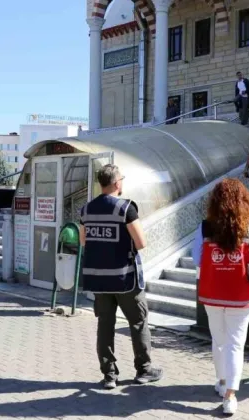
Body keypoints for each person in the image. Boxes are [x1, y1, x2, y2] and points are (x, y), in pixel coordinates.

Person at [79, 164, 163, 390]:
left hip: (99, 280)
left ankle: (109, 376)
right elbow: (141, 242)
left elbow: (84, 241)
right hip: (125, 279)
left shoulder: (86, 210)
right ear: (117, 183)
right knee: (138, 322)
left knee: (105, 325)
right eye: (122, 179)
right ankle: (144, 370)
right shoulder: (126, 208)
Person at [192, 178, 249, 415]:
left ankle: (222, 382)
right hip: (241, 294)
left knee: (219, 341)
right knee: (236, 344)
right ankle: (230, 396)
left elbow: (197, 259)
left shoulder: (205, 226)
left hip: (213, 292)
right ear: (244, 199)